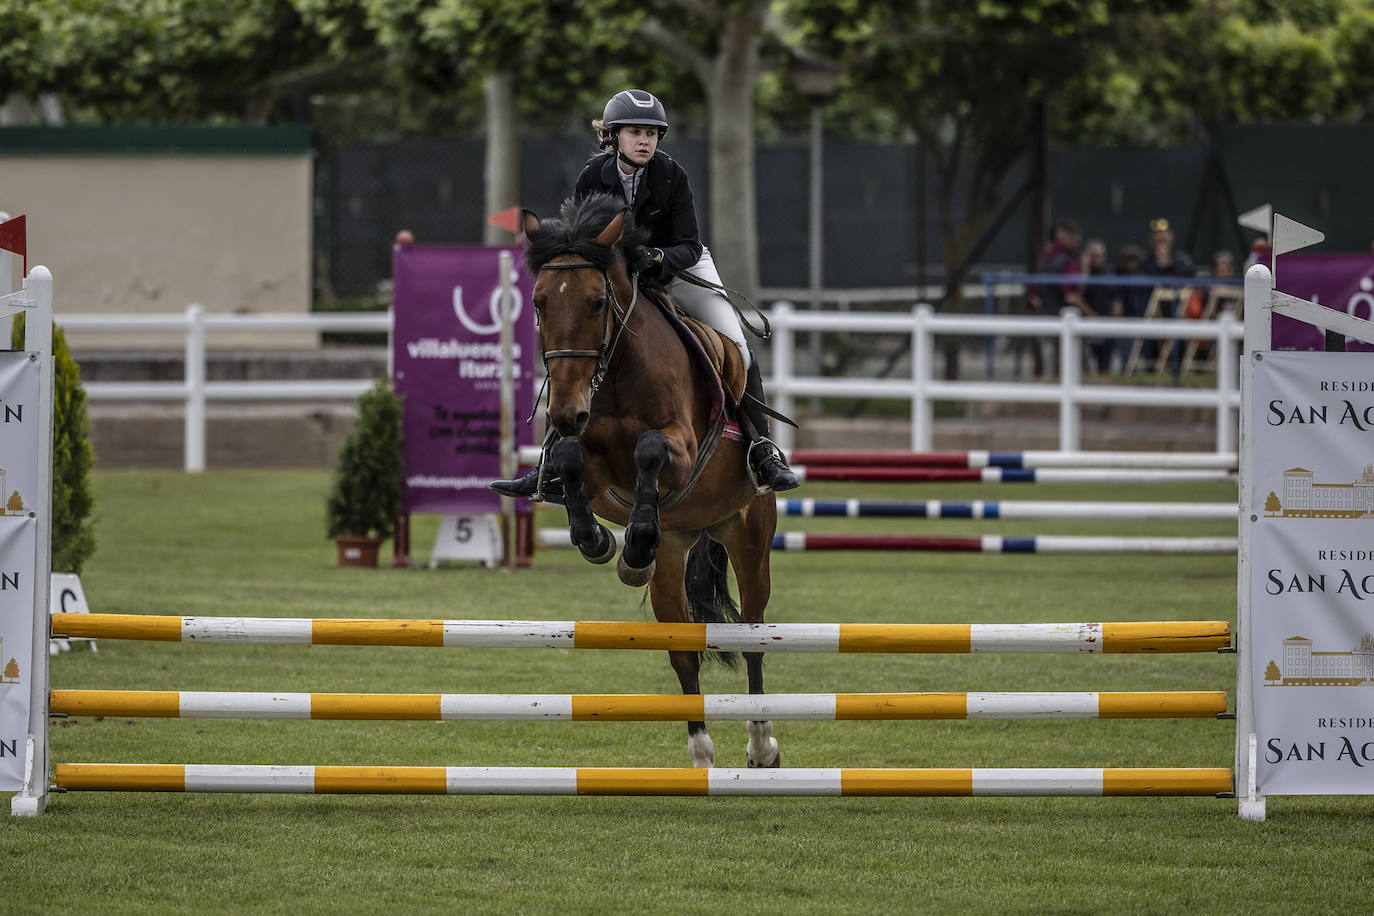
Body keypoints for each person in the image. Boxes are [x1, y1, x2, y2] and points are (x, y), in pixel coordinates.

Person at [491, 89, 798, 500]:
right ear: (613, 136)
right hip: (619, 274)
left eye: (652, 133)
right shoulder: (591, 175)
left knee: (738, 347)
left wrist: (655, 256)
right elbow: (585, 244)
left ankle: (762, 450)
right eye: (635, 132)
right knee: (576, 345)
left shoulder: (672, 175)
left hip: (678, 267)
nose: (645, 140)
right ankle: (550, 464)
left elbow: (689, 243)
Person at [1020, 217, 1084, 377]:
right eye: (1074, 235)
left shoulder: (1044, 257)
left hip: (1043, 313)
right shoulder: (1069, 261)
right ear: (1065, 236)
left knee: (1048, 356)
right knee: (1066, 359)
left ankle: (1048, 386)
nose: (1077, 239)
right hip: (1061, 314)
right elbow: (1070, 292)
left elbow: (1033, 288)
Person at [1079, 238, 1121, 374]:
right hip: (1086, 326)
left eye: (1100, 256)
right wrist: (1092, 315)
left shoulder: (1109, 273)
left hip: (1106, 325)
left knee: (1105, 365)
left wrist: (1113, 319)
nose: (1097, 259)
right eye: (1093, 256)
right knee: (1086, 366)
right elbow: (1076, 297)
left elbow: (1116, 298)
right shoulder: (1080, 274)